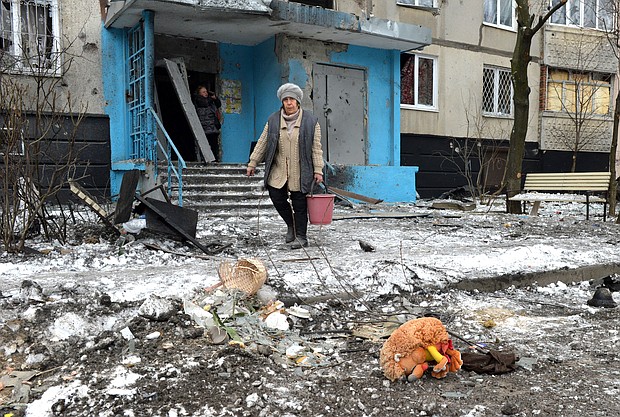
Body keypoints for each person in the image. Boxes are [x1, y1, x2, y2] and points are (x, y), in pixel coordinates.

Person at [246, 83, 324, 248]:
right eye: (286, 99)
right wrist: (252, 162)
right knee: (277, 197)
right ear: (282, 101)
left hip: (300, 170)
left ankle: (301, 237)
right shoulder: (273, 120)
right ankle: (291, 225)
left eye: (292, 99)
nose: (289, 103)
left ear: (297, 101)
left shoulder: (311, 121)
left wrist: (318, 169)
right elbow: (263, 142)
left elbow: (316, 148)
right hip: (279, 169)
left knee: (300, 204)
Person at [194, 85, 222, 162]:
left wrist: (214, 98)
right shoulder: (198, 101)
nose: (206, 93)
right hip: (203, 127)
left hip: (212, 127)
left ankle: (215, 160)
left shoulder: (210, 101)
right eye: (203, 92)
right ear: (199, 93)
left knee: (214, 145)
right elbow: (204, 103)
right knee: (204, 145)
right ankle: (204, 160)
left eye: (206, 91)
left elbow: (218, 104)